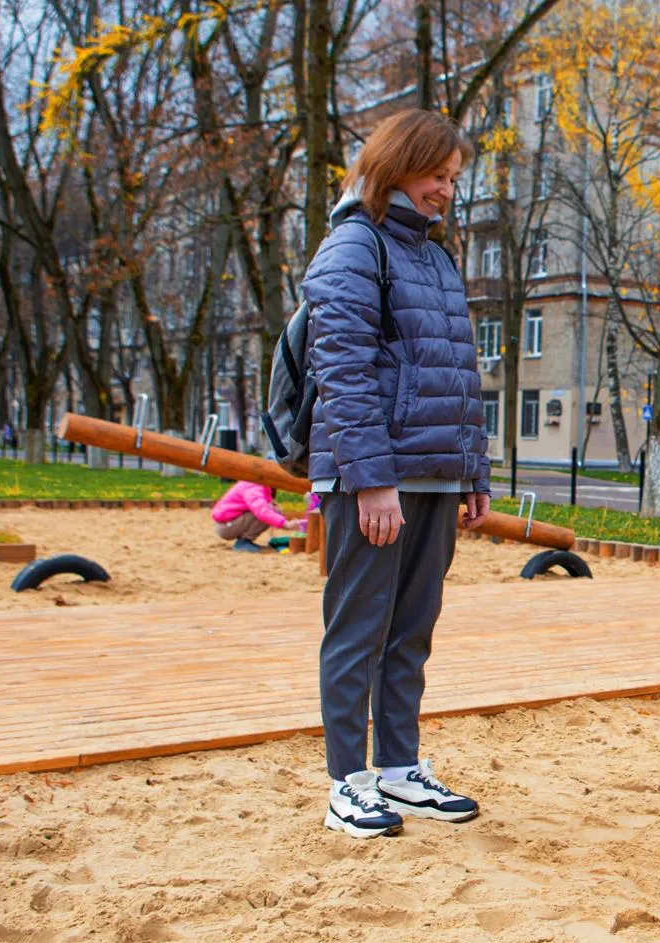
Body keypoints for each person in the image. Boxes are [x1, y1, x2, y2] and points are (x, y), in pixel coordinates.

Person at [304, 108, 489, 839]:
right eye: (438, 175)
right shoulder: (353, 246)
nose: (447, 190)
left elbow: (458, 374)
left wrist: (471, 470)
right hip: (372, 478)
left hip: (435, 473)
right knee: (358, 630)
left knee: (412, 631)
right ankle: (348, 781)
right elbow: (343, 374)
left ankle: (400, 769)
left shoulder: (435, 257)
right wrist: (371, 479)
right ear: (399, 164)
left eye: (453, 179)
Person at [211, 479, 302, 553]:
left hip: (229, 523)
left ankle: (244, 541)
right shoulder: (253, 486)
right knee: (268, 511)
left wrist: (288, 523)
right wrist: (285, 523)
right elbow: (262, 510)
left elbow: (272, 509)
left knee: (272, 510)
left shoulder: (261, 484)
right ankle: (243, 543)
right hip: (226, 526)